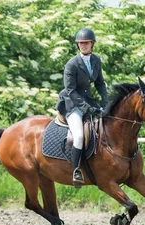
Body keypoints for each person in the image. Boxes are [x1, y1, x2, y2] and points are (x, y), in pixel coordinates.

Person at [55, 28, 109, 187]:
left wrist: (105, 102)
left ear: (92, 44)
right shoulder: (72, 64)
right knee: (78, 135)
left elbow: (99, 83)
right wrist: (86, 108)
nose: (83, 46)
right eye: (81, 43)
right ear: (78, 45)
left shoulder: (96, 60)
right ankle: (76, 170)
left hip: (88, 100)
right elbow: (71, 90)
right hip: (71, 103)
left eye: (86, 43)